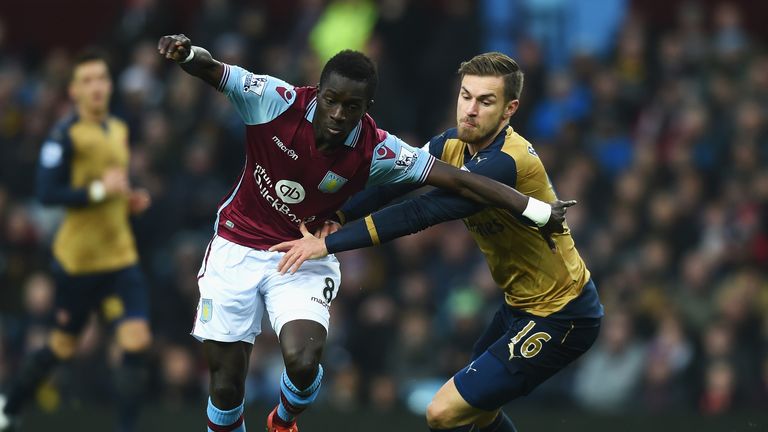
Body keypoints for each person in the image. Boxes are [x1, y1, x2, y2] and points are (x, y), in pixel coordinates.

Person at [156, 34, 574, 432]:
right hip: (237, 244)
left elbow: (453, 184)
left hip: (305, 255)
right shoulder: (273, 100)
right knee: (227, 385)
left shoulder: (377, 147)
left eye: (352, 107)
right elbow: (216, 71)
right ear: (317, 90)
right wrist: (187, 55)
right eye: (331, 101)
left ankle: (283, 420)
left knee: (303, 363)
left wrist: (536, 209)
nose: (339, 114)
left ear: (367, 107)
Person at [271, 52, 604, 432]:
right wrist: (338, 217)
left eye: (486, 101)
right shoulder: (451, 145)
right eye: (466, 96)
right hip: (519, 307)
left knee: (442, 412)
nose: (471, 110)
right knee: (480, 414)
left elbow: (420, 212)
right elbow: (396, 183)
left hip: (563, 314)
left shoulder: (508, 163)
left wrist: (329, 245)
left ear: (510, 109)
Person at [0, 51, 153, 432]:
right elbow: (47, 192)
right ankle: (11, 405)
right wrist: (101, 191)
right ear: (73, 91)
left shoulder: (118, 129)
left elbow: (113, 189)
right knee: (62, 346)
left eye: (101, 78)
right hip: (79, 263)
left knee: (136, 340)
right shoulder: (63, 136)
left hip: (120, 257)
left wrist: (128, 199)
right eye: (87, 80)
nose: (96, 86)